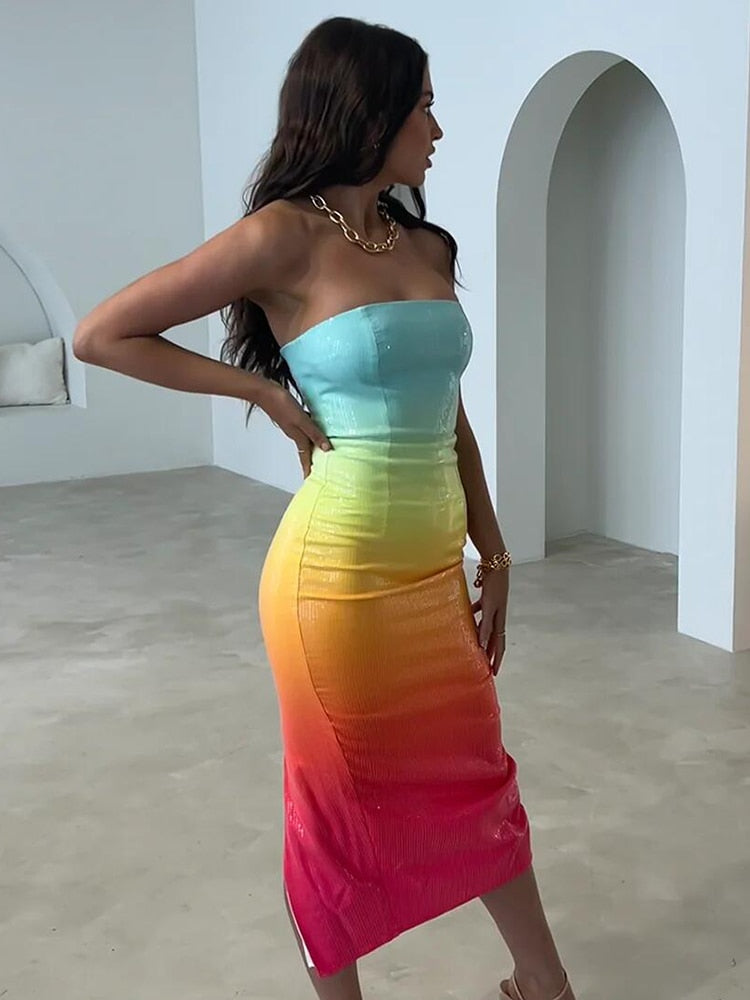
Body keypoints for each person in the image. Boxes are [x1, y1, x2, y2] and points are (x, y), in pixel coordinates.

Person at [73, 15, 576, 1000]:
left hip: (432, 574)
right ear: (367, 110)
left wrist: (494, 549)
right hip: (333, 583)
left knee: (477, 778)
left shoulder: (424, 242)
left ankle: (545, 983)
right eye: (423, 105)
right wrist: (260, 391)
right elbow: (102, 334)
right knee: (338, 812)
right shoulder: (282, 237)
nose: (437, 127)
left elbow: (448, 412)